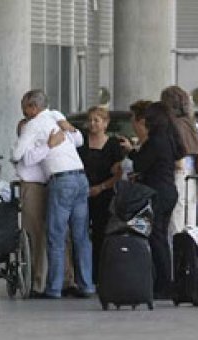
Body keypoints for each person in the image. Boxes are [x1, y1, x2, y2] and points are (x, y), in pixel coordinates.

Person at [12, 89, 94, 299]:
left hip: (61, 179)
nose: (23, 113)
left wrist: (46, 146)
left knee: (56, 236)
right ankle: (86, 285)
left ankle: (54, 288)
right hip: (81, 178)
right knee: (81, 236)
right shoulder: (56, 116)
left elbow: (17, 155)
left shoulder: (33, 124)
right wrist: (68, 131)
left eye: (25, 107)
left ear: (33, 107)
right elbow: (78, 141)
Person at [119, 101, 185, 299]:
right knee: (161, 237)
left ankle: (163, 284)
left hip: (157, 192)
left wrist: (130, 150)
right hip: (168, 191)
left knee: (156, 238)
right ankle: (165, 281)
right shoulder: (168, 138)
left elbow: (140, 163)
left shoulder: (155, 140)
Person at [14, 116, 79, 297]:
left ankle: (67, 280)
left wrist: (68, 130)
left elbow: (74, 143)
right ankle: (38, 282)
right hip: (33, 186)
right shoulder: (27, 148)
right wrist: (48, 145)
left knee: (61, 233)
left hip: (54, 184)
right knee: (36, 235)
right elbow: (27, 160)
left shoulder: (50, 141)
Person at [76, 106, 124, 283]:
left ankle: (102, 275)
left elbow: (118, 173)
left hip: (105, 194)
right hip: (83, 193)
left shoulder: (112, 145)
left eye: (97, 120)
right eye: (90, 120)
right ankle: (83, 275)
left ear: (105, 123)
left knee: (102, 234)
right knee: (80, 234)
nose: (92, 124)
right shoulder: (81, 143)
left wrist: (102, 187)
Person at [160, 86, 198, 235]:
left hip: (178, 171)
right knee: (190, 216)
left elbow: (176, 154)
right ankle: (189, 253)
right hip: (193, 172)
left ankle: (176, 254)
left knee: (176, 217)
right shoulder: (191, 123)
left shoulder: (173, 124)